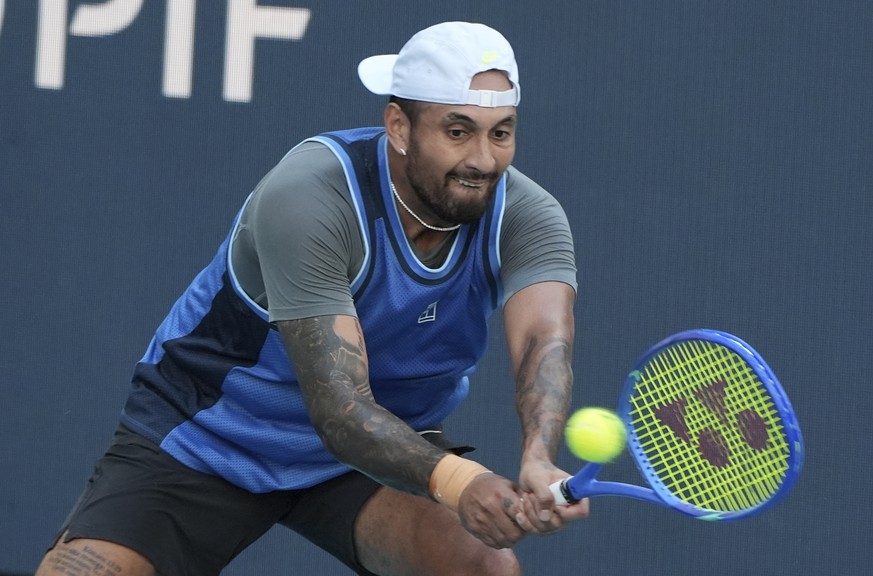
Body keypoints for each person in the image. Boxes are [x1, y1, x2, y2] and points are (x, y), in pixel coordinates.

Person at [36, 21, 588, 576]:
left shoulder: (527, 215)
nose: (483, 160)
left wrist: (537, 458)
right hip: (211, 435)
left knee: (484, 567)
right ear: (399, 125)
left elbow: (543, 341)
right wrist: (462, 481)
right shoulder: (311, 196)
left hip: (383, 453)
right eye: (458, 131)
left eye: (500, 133)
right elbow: (341, 410)